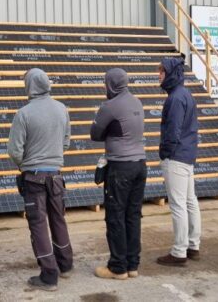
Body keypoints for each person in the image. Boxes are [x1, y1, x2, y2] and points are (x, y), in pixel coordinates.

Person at [8, 68, 74, 292]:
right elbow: (66, 142)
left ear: (29, 86)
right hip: (56, 176)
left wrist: (24, 165)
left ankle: (49, 275)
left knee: (38, 225)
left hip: (33, 178)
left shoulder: (24, 113)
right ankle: (65, 264)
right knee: (58, 219)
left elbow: (14, 150)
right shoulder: (62, 109)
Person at [90, 68, 147, 280]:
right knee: (133, 215)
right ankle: (132, 265)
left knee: (115, 216)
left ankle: (117, 268)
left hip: (120, 168)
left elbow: (95, 134)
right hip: (140, 165)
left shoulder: (109, 106)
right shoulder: (137, 102)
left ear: (111, 84)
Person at [156, 58, 201, 267]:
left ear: (171, 73)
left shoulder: (175, 98)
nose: (159, 75)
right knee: (190, 201)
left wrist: (165, 153)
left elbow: (172, 132)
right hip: (187, 155)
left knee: (178, 204)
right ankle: (193, 245)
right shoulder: (186, 94)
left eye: (161, 72)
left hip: (176, 157)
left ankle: (179, 251)